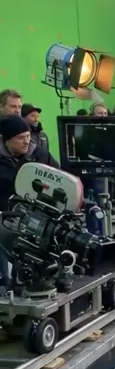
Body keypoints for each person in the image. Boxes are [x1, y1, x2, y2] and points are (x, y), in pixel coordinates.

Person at [0, 116, 59, 288]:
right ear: (6, 139)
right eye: (20, 138)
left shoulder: (40, 154)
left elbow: (60, 177)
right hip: (6, 218)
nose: (26, 141)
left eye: (28, 136)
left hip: (38, 218)